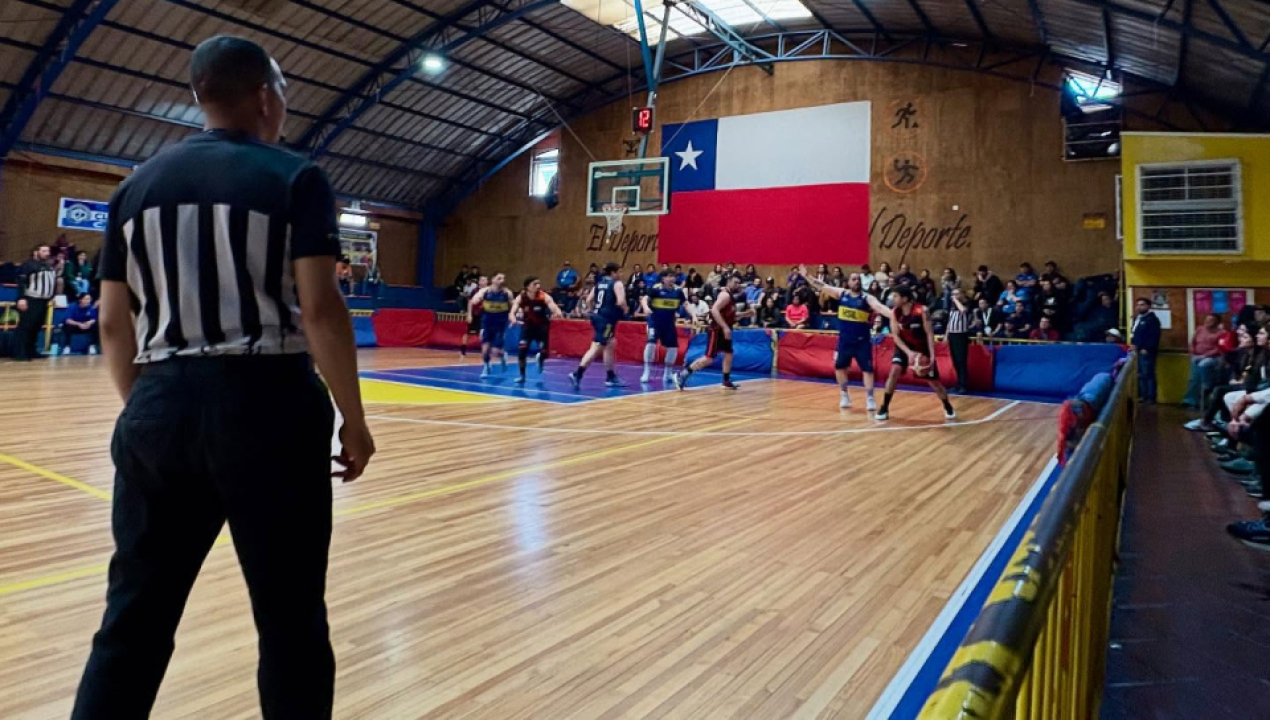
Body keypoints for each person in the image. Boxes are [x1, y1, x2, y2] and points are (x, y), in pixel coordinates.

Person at [73, 36, 374, 720]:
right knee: (291, 620)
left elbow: (114, 322)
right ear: (266, 96)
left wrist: (149, 405)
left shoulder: (134, 188)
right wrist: (353, 421)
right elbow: (321, 310)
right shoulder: (296, 178)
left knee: (133, 621)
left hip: (159, 402)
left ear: (201, 95)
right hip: (267, 405)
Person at [799, 266, 889, 411]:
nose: (857, 281)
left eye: (858, 279)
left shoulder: (866, 298)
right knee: (840, 367)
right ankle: (844, 395)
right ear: (848, 282)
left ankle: (870, 398)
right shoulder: (841, 294)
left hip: (862, 341)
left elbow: (880, 308)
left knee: (867, 370)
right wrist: (807, 277)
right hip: (845, 341)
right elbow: (823, 286)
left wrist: (894, 316)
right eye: (854, 279)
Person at [877, 286, 956, 421]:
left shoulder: (922, 311)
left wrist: (932, 356)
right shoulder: (895, 312)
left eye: (895, 296)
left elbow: (929, 333)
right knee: (894, 371)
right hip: (904, 347)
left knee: (934, 382)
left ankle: (947, 405)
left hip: (922, 346)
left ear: (905, 298)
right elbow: (895, 336)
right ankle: (884, 407)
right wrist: (908, 353)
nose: (892, 299)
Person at [674, 274, 749, 391]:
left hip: (725, 329)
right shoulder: (725, 295)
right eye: (735, 282)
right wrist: (724, 327)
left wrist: (745, 314)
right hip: (717, 330)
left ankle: (726, 380)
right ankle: (682, 375)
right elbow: (714, 310)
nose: (737, 285)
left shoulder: (731, 297)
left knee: (729, 353)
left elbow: (730, 316)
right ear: (729, 282)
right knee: (708, 358)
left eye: (739, 283)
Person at [569, 262, 627, 388]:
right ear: (613, 272)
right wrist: (625, 309)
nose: (621, 274)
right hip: (607, 319)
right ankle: (577, 373)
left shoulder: (599, 283)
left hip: (597, 317)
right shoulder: (617, 284)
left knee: (610, 344)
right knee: (597, 347)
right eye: (619, 272)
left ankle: (610, 376)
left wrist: (592, 311)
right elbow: (620, 301)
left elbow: (589, 300)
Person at [509, 276, 563, 384]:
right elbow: (512, 312)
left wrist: (557, 312)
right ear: (527, 287)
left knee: (544, 352)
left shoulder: (543, 296)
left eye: (539, 283)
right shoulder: (521, 297)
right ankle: (522, 376)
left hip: (542, 328)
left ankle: (540, 359)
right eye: (534, 284)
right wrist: (513, 319)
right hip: (527, 327)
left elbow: (554, 307)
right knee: (522, 351)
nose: (538, 286)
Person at [639, 269, 686, 384]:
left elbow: (686, 304)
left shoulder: (678, 291)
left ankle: (668, 373)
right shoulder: (656, 289)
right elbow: (644, 299)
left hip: (669, 323)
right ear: (663, 278)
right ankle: (646, 372)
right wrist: (645, 307)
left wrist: (694, 315)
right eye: (669, 276)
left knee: (673, 347)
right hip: (654, 322)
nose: (672, 278)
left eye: (673, 276)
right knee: (651, 344)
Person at [14, 244, 57, 361]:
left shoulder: (49, 266)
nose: (47, 253)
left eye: (48, 251)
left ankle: (31, 350)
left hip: (44, 300)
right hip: (31, 299)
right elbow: (21, 281)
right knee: (26, 327)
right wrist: (21, 298)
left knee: (37, 326)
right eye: (44, 251)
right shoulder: (29, 265)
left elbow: (52, 282)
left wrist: (52, 297)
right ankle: (20, 353)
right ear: (36, 252)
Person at [469, 272, 511, 377]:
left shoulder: (507, 293)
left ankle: (503, 356)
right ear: (493, 280)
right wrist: (476, 300)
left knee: (496, 351)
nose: (502, 280)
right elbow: (473, 300)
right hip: (487, 323)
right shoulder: (485, 291)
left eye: (503, 278)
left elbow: (513, 304)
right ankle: (487, 366)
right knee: (485, 351)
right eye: (499, 278)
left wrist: (517, 312)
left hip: (500, 325)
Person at [1183, 313, 1226, 409]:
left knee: (1203, 366)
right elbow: (1193, 342)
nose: (1207, 322)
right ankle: (1190, 400)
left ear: (1217, 322)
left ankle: (1207, 388)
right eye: (1207, 319)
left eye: (1211, 320)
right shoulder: (1199, 329)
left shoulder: (1222, 333)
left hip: (1212, 358)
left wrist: (1205, 356)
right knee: (1193, 379)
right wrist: (1192, 353)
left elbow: (1220, 348)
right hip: (1196, 356)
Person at [1131, 297, 1162, 403]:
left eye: (1142, 305)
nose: (1139, 307)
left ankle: (1151, 397)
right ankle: (1143, 395)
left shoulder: (1152, 320)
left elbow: (1154, 336)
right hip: (1137, 350)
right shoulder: (1137, 319)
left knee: (1148, 374)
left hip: (1146, 351)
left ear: (1149, 306)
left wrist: (1147, 348)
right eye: (1138, 305)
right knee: (1141, 374)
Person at [946, 288, 972, 393]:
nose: (954, 296)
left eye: (957, 294)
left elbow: (963, 310)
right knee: (955, 361)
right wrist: (946, 335)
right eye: (953, 294)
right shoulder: (952, 306)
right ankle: (958, 383)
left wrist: (956, 300)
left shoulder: (967, 303)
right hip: (952, 335)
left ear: (962, 294)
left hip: (961, 335)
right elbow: (950, 321)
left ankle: (963, 385)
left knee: (961, 361)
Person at [460, 275, 488, 357]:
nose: (483, 281)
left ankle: (484, 351)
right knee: (467, 333)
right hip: (474, 314)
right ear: (479, 282)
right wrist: (469, 315)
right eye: (482, 280)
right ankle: (463, 349)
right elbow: (470, 302)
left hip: (483, 315)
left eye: (485, 280)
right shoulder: (475, 291)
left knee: (482, 332)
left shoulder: (489, 291)